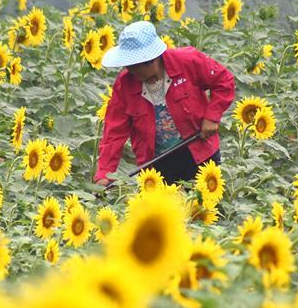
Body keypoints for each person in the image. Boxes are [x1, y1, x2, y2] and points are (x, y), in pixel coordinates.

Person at [93, 21, 235, 187]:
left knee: (204, 209)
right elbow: (114, 131)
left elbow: (224, 81)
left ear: (150, 60)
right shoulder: (124, 85)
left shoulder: (187, 61)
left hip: (200, 151)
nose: (129, 70)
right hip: (157, 163)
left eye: (133, 66)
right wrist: (104, 172)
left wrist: (212, 117)